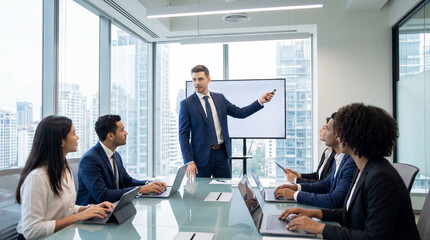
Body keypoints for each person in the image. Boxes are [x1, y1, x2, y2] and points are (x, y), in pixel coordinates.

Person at [279, 103, 420, 240]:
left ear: (354, 136)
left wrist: (319, 228)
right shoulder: (364, 169)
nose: (338, 136)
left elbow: (373, 237)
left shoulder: (381, 178)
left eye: (341, 131)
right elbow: (351, 213)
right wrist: (314, 213)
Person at [15, 116, 115, 240]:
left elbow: (65, 207)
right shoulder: (37, 178)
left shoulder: (65, 169)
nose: (77, 137)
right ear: (61, 141)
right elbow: (31, 231)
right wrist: (80, 216)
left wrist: (90, 208)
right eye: (74, 133)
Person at [179, 65, 274, 179]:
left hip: (222, 155)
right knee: (201, 193)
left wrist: (260, 101)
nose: (197, 83)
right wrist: (189, 161)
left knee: (225, 191)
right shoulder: (186, 104)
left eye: (200, 79)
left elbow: (240, 113)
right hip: (200, 158)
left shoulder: (220, 98)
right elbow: (183, 135)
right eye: (194, 79)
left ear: (208, 79)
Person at [77, 114, 167, 205]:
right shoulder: (90, 159)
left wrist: (148, 183)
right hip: (95, 215)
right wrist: (140, 190)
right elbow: (102, 195)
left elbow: (127, 181)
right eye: (122, 130)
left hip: (116, 208)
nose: (126, 133)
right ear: (110, 136)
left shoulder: (115, 155)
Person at [274, 113, 356, 208]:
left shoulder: (350, 162)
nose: (322, 132)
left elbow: (334, 199)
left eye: (327, 129)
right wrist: (296, 187)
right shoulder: (338, 157)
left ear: (339, 135)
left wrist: (295, 194)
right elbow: (326, 184)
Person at [284, 117, 336, 183]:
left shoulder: (336, 156)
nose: (320, 130)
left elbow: (323, 184)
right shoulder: (327, 152)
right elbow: (318, 175)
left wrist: (296, 180)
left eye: (324, 128)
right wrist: (299, 176)